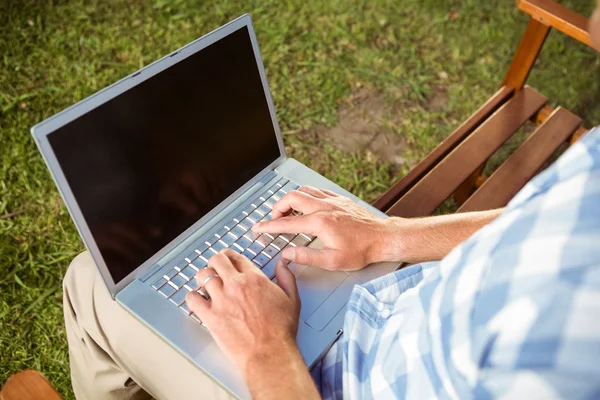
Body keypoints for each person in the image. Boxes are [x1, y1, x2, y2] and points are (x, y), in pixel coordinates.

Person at [63, 3, 600, 399]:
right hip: (391, 308)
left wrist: (268, 349)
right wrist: (389, 235)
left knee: (89, 282)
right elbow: (539, 225)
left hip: (319, 380)